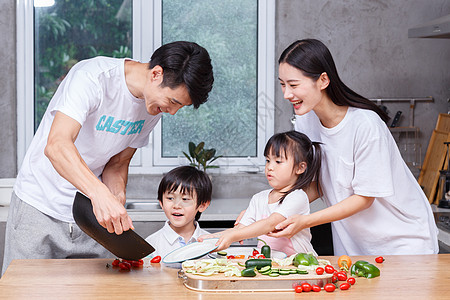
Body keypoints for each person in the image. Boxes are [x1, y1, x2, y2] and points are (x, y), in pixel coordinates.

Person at [2, 41, 214, 275]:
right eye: (173, 101)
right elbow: (57, 145)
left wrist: (116, 196)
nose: (172, 112)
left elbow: (117, 163)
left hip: (89, 216)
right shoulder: (93, 78)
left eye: (180, 107)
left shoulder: (152, 107)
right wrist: (100, 194)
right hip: (40, 206)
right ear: (156, 74)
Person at [269, 39, 438, 256]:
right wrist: (268, 207)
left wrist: (305, 221)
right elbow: (318, 184)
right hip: (355, 247)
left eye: (293, 85)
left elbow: (364, 198)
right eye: (282, 84)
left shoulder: (366, 125)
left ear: (322, 80)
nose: (286, 94)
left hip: (403, 245)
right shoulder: (306, 120)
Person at [199, 131, 322, 256]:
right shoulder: (259, 198)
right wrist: (212, 239)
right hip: (271, 266)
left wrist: (232, 236)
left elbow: (270, 224)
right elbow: (240, 229)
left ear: (300, 168)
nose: (269, 167)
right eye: (268, 160)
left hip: (300, 266)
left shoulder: (297, 197)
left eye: (278, 161)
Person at [145, 166, 212, 262]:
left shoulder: (212, 244)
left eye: (185, 199)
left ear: (202, 205)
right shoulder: (151, 244)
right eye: (170, 198)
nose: (176, 205)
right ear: (161, 203)